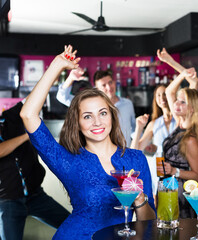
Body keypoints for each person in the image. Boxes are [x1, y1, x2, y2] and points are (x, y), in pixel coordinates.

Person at [20, 45, 156, 240]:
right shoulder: (67, 161)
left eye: (102, 113)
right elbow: (28, 114)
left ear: (112, 116)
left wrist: (140, 199)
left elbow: (149, 225)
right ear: (78, 123)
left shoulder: (136, 159)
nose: (97, 122)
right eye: (87, 116)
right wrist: (57, 65)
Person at [0, 101, 70, 240]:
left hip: (36, 195)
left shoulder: (10, 116)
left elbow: (32, 100)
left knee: (72, 226)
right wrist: (28, 134)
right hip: (8, 201)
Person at [130, 48, 185, 195]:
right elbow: (135, 151)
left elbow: (189, 77)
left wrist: (170, 61)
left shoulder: (180, 119)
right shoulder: (155, 123)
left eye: (165, 94)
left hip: (179, 171)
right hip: (159, 174)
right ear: (155, 100)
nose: (162, 98)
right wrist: (139, 128)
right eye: (158, 96)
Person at [156, 67, 198, 219]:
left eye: (182, 102)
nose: (176, 104)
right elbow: (170, 91)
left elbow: (197, 176)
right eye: (177, 100)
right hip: (166, 186)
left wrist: (174, 171)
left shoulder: (190, 139)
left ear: (191, 108)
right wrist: (182, 75)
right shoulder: (178, 123)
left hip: (180, 194)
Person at [56, 67, 136, 146]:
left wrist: (144, 140)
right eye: (103, 85)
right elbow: (62, 97)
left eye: (110, 82)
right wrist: (71, 78)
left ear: (114, 83)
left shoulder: (127, 104)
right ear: (96, 89)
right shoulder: (89, 105)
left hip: (124, 153)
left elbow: (132, 129)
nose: (108, 87)